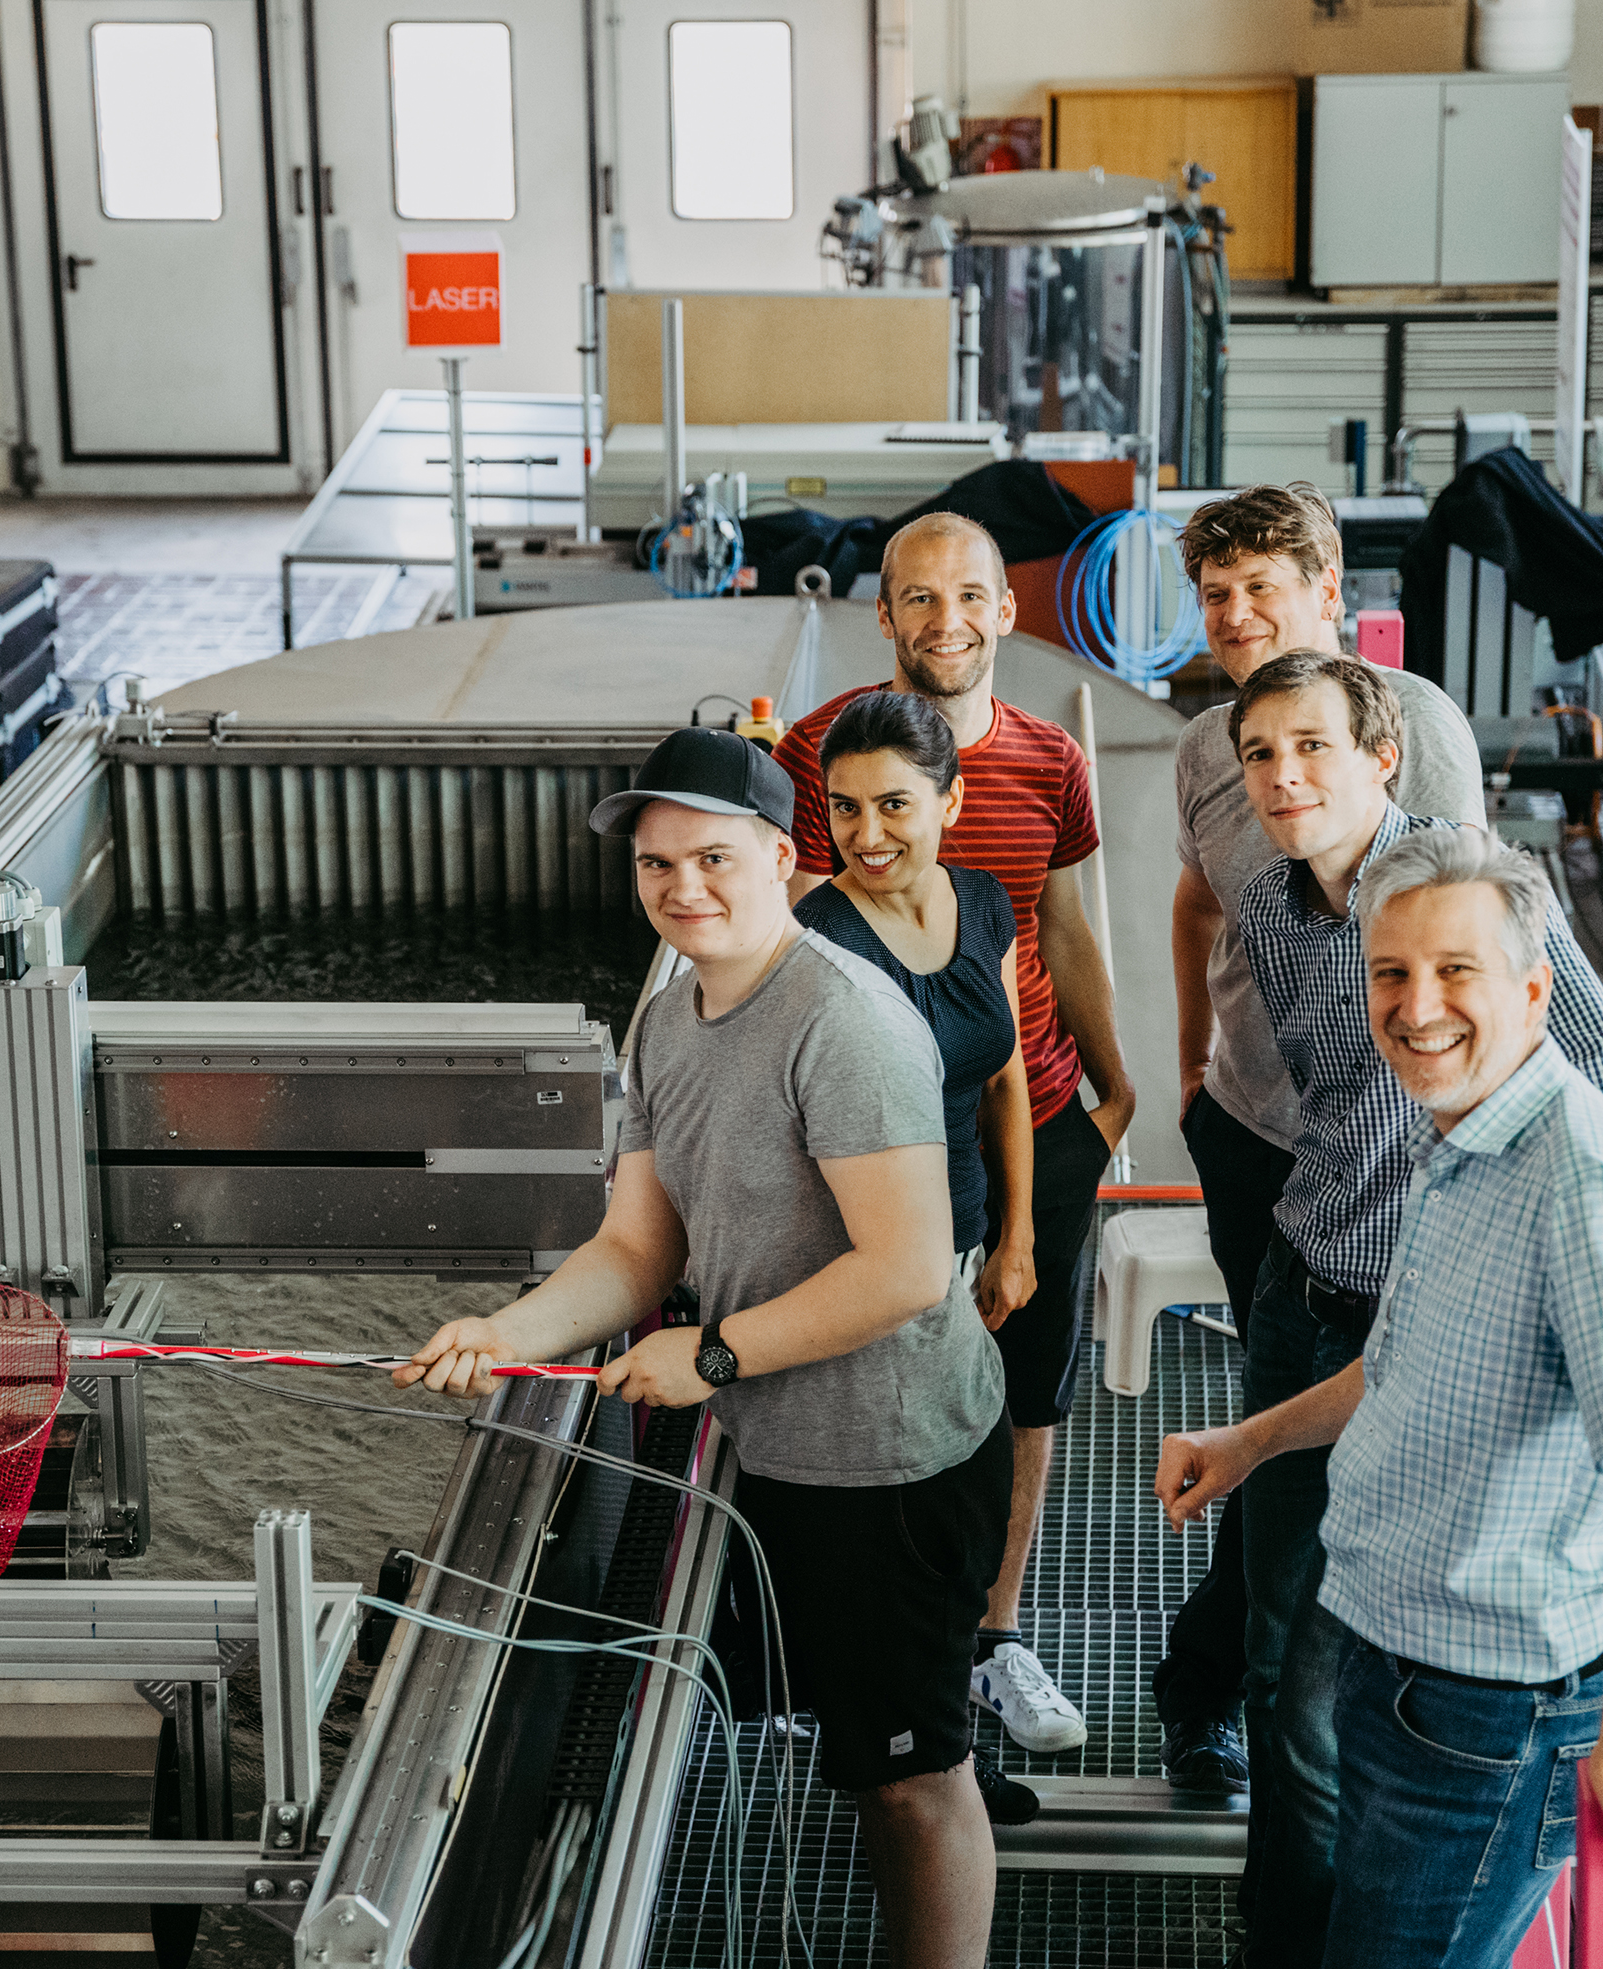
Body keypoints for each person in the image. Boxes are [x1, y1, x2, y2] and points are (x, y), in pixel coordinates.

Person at [398, 725, 1008, 1968]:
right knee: (861, 1747)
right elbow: (636, 1247)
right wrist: (504, 1333)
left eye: (714, 858)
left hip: (886, 1462)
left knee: (913, 1777)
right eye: (657, 865)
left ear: (785, 858)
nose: (683, 888)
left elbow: (900, 1267)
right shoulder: (670, 1018)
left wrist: (713, 1358)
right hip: (775, 1447)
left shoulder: (845, 1022)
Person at [1158, 826, 1603, 1967]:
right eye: (1390, 973)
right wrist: (1248, 1443)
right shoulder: (1458, 1128)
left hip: (1482, 1714)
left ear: (1531, 985)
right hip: (1384, 1649)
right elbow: (1405, 1362)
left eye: (1456, 971)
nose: (1418, 1008)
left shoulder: (1582, 1181)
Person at [1225, 649, 1603, 1962]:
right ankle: (1290, 1928)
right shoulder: (1274, 908)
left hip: (1424, 1349)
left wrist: (1487, 1230)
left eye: (1313, 745)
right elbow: (1320, 1113)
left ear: (1381, 756)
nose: (1285, 774)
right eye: (1259, 753)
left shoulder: (1464, 901)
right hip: (1319, 1299)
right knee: (1286, 1655)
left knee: (1328, 1681)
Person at [773, 511, 1135, 1757]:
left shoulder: (1047, 762)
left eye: (969, 595)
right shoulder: (822, 759)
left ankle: (992, 1634)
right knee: (873, 1377)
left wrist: (1115, 1086)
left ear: (1007, 611)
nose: (946, 621)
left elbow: (1067, 931)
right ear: (881, 618)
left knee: (1026, 1387)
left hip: (1029, 1109)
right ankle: (870, 1648)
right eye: (917, 599)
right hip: (875, 1144)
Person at [1155, 483, 1488, 1793]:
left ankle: (1297, 1698)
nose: (1237, 616)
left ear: (1327, 590)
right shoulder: (1203, 749)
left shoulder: (1420, 740)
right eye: (1217, 595)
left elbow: (1465, 951)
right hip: (1253, 1138)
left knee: (1345, 1429)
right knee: (1275, 1422)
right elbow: (1195, 902)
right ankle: (1228, 1693)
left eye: (1263, 589)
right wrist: (1192, 1060)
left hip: (1390, 1164)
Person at [795, 687, 1041, 1824]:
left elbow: (1002, 1076)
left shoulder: (979, 903)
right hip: (869, 1273)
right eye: (844, 808)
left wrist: (1017, 1236)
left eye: (893, 802)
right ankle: (920, 1759)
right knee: (907, 1524)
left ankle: (935, 1736)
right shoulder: (814, 939)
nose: (867, 832)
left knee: (961, 1506)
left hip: (964, 1262)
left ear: (951, 797)